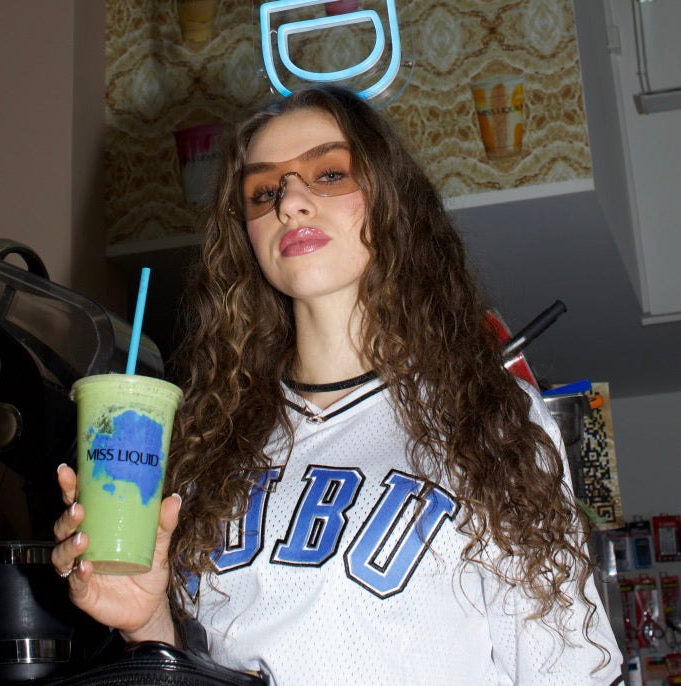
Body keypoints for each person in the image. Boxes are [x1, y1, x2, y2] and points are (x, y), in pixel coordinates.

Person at [53, 85, 624, 685]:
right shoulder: (206, 444)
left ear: (389, 199)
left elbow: (568, 671)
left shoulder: (487, 419)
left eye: (328, 174)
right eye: (263, 191)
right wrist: (147, 625)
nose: (290, 203)